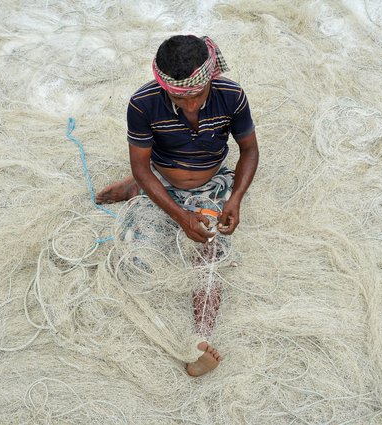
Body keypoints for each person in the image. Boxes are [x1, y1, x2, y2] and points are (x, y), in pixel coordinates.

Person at [97, 35, 259, 376]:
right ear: (164, 86)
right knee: (135, 260)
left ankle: (200, 339)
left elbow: (249, 150)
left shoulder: (231, 96)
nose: (189, 106)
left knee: (211, 252)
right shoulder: (143, 103)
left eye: (197, 96)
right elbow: (141, 166)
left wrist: (235, 198)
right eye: (179, 97)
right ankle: (136, 190)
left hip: (212, 184)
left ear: (210, 79)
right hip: (160, 177)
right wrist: (180, 215)